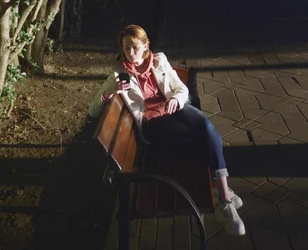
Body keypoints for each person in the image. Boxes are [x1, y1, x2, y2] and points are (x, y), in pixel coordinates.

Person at [89, 24, 245, 236]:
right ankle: (224, 197)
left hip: (175, 108)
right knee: (196, 138)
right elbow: (92, 111)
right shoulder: (119, 72)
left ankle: (222, 195)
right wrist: (111, 91)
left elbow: (181, 88)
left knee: (207, 128)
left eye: (135, 47)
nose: (131, 53)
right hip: (153, 123)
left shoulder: (159, 60)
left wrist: (175, 99)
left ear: (145, 46)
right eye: (126, 48)